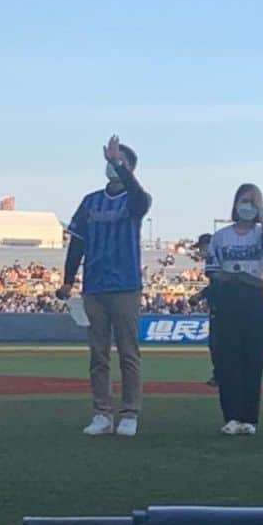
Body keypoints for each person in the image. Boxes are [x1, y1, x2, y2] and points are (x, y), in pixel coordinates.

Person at [58, 136, 152, 437]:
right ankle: (101, 412)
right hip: (94, 286)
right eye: (109, 161)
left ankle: (130, 412)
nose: (111, 166)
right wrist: (68, 279)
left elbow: (139, 199)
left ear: (130, 168)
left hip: (125, 285)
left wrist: (121, 166)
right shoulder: (90, 201)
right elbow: (77, 242)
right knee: (98, 353)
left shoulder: (136, 199)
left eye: (119, 161)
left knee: (128, 352)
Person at [204, 186, 263, 435]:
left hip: (254, 298)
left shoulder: (259, 234)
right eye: (243, 201)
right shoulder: (221, 236)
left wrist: (262, 208)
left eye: (252, 202)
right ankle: (231, 416)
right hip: (227, 299)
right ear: (235, 203)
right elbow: (213, 271)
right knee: (228, 360)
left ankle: (250, 418)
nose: (247, 206)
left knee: (253, 360)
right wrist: (234, 277)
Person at [188, 233, 219, 387]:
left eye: (201, 247)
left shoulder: (215, 259)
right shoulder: (215, 259)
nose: (200, 251)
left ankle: (221, 375)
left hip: (224, 308)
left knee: (218, 343)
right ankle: (221, 374)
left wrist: (200, 295)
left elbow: (218, 284)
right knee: (218, 344)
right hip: (222, 307)